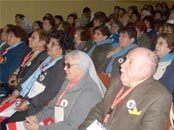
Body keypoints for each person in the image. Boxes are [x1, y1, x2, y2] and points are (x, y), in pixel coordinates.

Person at [80, 47, 172, 130]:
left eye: (130, 62)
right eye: (125, 59)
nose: (122, 65)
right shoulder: (117, 82)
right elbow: (99, 110)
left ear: (145, 71)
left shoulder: (160, 97)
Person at [1, 30, 74, 130]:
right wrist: (15, 93)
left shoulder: (61, 66)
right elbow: (28, 75)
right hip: (22, 96)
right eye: (49, 42)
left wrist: (28, 103)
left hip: (37, 105)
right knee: (2, 107)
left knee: (8, 123)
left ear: (62, 48)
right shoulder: (45, 56)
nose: (48, 45)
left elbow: (50, 93)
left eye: (53, 44)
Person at [24, 50, 106, 130]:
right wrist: (37, 118)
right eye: (64, 64)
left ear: (81, 67)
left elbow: (73, 126)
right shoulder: (68, 82)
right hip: (55, 124)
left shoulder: (89, 93)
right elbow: (52, 106)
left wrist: (40, 128)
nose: (64, 68)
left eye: (68, 65)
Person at [153, 33, 174, 97]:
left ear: (170, 48)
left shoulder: (171, 65)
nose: (156, 46)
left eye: (161, 43)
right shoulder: (151, 58)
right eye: (156, 43)